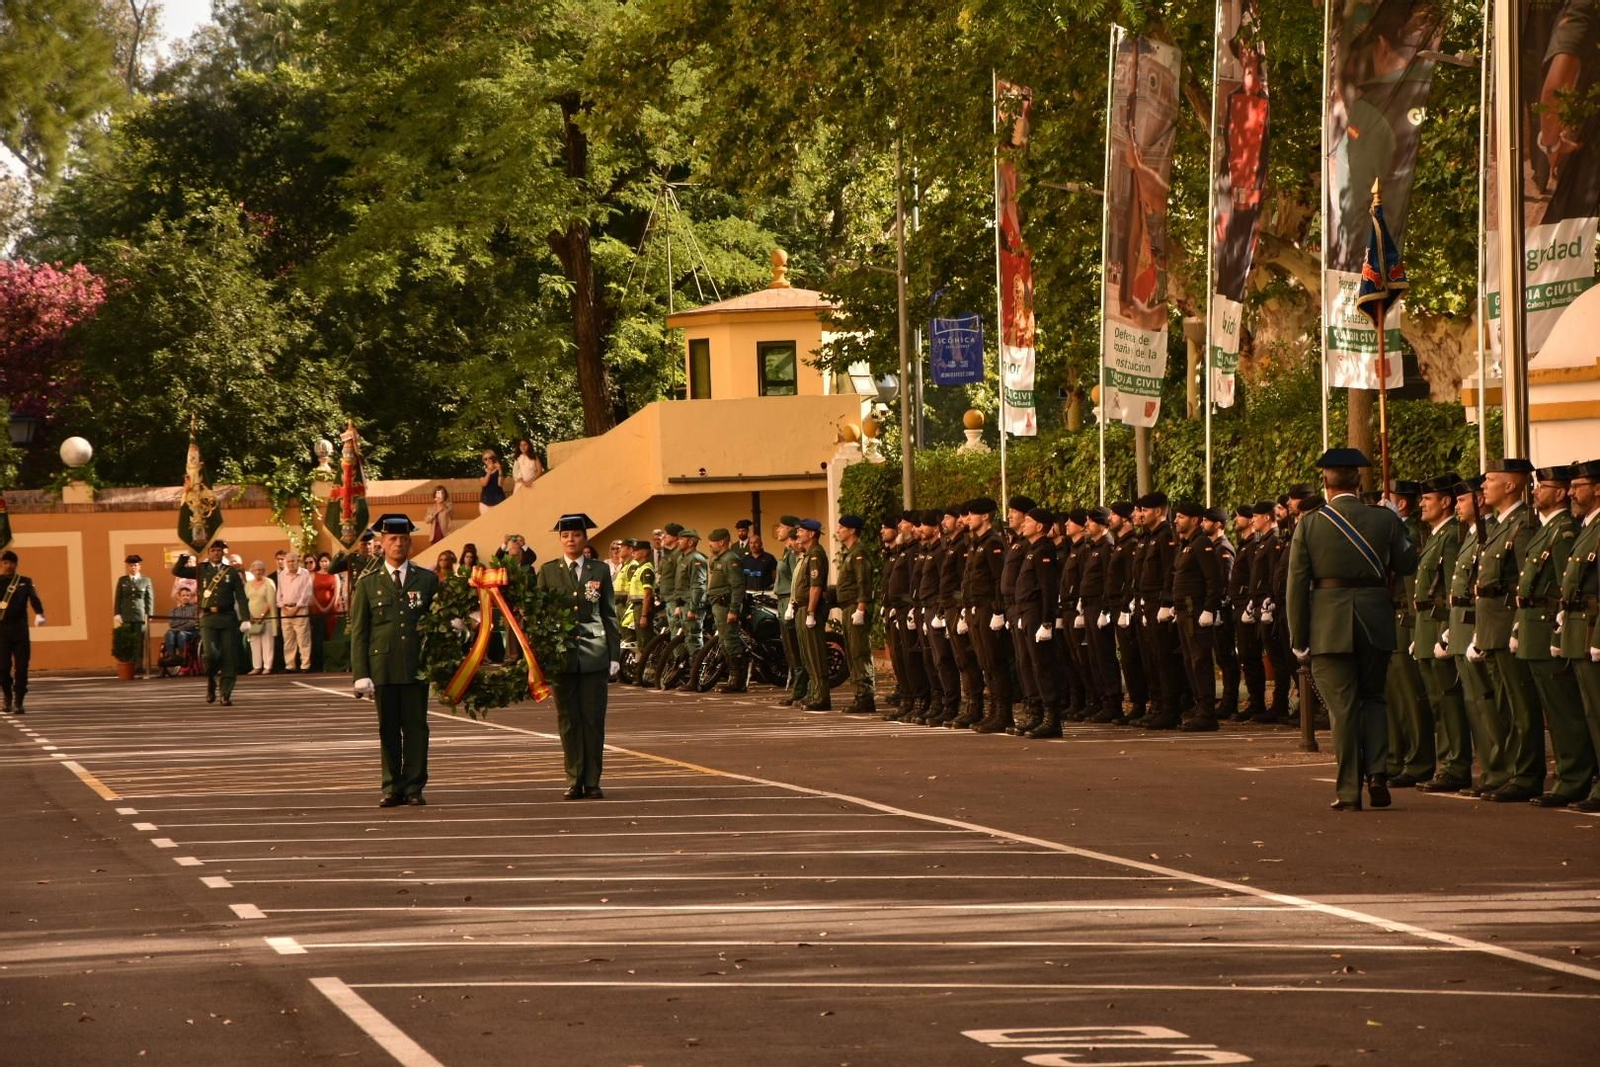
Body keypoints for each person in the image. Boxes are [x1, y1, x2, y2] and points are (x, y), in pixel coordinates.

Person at [1286, 448, 1418, 812]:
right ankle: (1378, 773)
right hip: (1375, 618)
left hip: (1329, 624)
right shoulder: (1383, 520)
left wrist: (1299, 637)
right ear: (1359, 481)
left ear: (1325, 483)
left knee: (1342, 708)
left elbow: (1296, 584)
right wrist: (1398, 522)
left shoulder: (1310, 523)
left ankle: (1348, 789)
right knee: (1374, 699)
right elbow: (1408, 561)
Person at [1515, 464, 1593, 807]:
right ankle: (1570, 776)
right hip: (1559, 629)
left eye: (1579, 486)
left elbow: (1567, 588)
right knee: (1563, 711)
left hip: (1573, 628)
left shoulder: (1566, 531)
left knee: (1572, 711)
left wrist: (1559, 628)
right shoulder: (1562, 529)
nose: (1574, 492)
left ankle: (1576, 776)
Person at [350, 514, 441, 808]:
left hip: (416, 665)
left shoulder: (426, 580)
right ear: (382, 544)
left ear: (410, 543)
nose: (398, 543)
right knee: (388, 728)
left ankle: (414, 785)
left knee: (416, 727)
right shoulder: (367, 583)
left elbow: (438, 621)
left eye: (403, 539)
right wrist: (360, 673)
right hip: (383, 667)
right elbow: (360, 632)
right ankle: (392, 786)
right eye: (392, 539)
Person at [1472, 458, 1544, 803]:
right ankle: (1513, 770)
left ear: (1511, 485)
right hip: (1491, 624)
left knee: (1521, 705)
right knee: (1505, 704)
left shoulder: (1522, 525)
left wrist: (1517, 626)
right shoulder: (1502, 524)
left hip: (1506, 622)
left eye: (1490, 480)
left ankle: (1527, 773)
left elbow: (1524, 582)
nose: (1484, 486)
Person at [536, 513, 621, 799]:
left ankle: (593, 780)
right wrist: (541, 653)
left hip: (594, 654)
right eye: (564, 536)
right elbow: (538, 615)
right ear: (560, 540)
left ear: (585, 539)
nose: (570, 540)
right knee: (568, 720)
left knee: (593, 719)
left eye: (575, 535)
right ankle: (574, 778)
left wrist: (614, 654)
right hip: (562, 657)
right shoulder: (548, 571)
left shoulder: (599, 571)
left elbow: (609, 614)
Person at [1411, 474, 1471, 793]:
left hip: (1438, 624)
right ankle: (1446, 761)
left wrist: (1447, 629)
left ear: (1445, 502)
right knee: (1437, 701)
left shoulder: (1450, 536)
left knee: (1448, 700)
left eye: (1428, 499)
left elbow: (1450, 587)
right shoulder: (1436, 534)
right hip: (1425, 625)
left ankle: (1455, 765)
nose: (1422, 503)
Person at [1556, 458, 1600, 813]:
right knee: (1589, 712)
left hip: (1592, 630)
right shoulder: (1587, 526)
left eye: (1578, 486)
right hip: (1577, 629)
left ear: (1598, 488)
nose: (1571, 492)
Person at [171, 541, 251, 706]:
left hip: (228, 618)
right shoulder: (202, 569)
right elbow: (177, 571)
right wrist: (186, 555)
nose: (216, 553)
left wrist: (245, 618)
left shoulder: (231, 572)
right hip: (208, 618)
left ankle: (225, 693)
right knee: (211, 654)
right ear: (208, 552)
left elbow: (241, 596)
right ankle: (211, 681)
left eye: (219, 550)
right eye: (213, 550)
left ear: (223, 553)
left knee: (229, 657)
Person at [834, 515, 877, 714]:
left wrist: (861, 607)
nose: (839, 530)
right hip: (848, 607)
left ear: (852, 530)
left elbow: (863, 582)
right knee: (852, 652)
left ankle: (866, 695)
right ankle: (860, 693)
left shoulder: (859, 553)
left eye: (842, 527)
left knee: (859, 651)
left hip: (855, 607)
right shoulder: (850, 553)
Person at [705, 528, 749, 693]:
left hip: (726, 606)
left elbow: (737, 586)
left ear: (722, 541)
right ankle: (733, 678)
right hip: (718, 606)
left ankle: (737, 681)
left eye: (712, 541)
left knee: (731, 641)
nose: (709, 545)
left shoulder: (731, 559)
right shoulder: (719, 559)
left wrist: (733, 610)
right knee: (724, 642)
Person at [794, 518, 832, 710]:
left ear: (811, 534)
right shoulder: (808, 554)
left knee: (815, 653)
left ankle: (821, 696)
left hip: (812, 610)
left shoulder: (816, 554)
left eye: (801, 531)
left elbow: (816, 587)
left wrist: (810, 612)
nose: (798, 534)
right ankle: (814, 692)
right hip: (802, 608)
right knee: (807, 654)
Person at [0, 550, 44, 713]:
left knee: (22, 666)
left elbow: (34, 598)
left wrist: (39, 613)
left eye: (11, 562)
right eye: (5, 562)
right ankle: (7, 697)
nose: (8, 566)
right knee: (3, 667)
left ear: (16, 564)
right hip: (2, 630)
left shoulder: (25, 582)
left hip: (20, 629)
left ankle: (19, 700)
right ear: (1, 564)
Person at [114, 554, 155, 677]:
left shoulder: (146, 580)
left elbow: (149, 599)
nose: (133, 567)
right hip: (126, 615)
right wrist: (117, 613)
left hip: (140, 615)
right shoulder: (122, 580)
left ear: (139, 567)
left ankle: (138, 665)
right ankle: (129, 663)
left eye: (135, 565)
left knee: (139, 640)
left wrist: (149, 614)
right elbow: (118, 598)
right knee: (128, 640)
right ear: (128, 567)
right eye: (131, 565)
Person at [276, 550, 313, 672]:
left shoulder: (305, 573)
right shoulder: (281, 575)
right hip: (285, 610)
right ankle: (290, 665)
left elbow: (306, 593)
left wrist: (296, 608)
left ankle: (305, 665)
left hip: (300, 610)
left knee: (303, 639)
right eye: (289, 561)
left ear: (298, 562)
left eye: (293, 561)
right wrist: (283, 607)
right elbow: (279, 593)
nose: (291, 564)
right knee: (288, 639)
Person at [243, 560, 279, 675]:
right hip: (252, 618)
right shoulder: (248, 584)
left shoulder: (269, 583)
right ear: (252, 570)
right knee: (254, 642)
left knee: (267, 642)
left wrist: (262, 615)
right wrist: (250, 615)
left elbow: (271, 601)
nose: (258, 572)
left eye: (260, 569)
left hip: (266, 618)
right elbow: (246, 600)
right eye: (256, 569)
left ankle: (267, 666)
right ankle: (257, 666)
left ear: (264, 571)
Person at [162, 586, 200, 663]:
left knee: (181, 634)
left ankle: (182, 656)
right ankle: (171, 656)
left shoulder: (196, 609)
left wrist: (179, 624)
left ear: (191, 597)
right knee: (169, 633)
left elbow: (192, 623)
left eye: (187, 595)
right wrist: (185, 622)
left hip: (192, 632)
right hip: (176, 631)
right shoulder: (174, 610)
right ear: (179, 597)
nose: (185, 597)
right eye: (183, 595)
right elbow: (172, 623)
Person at [479, 450, 506, 514]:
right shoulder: (482, 472)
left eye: (490, 458)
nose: (488, 460)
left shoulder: (500, 470)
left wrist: (500, 470)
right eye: (485, 459)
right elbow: (484, 484)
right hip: (485, 502)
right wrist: (489, 471)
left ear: (493, 458)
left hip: (499, 500)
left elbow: (500, 484)